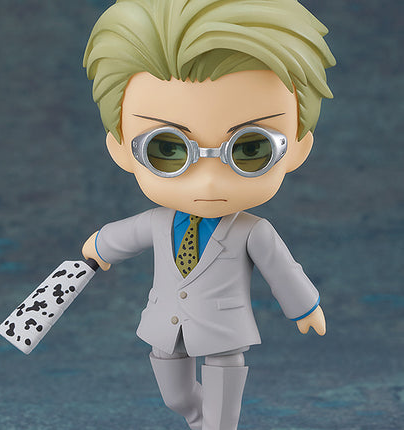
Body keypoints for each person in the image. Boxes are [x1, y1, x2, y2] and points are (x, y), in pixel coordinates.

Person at [81, 1, 335, 429]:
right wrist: (100, 246)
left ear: (297, 147)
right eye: (168, 149)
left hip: (224, 332)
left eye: (250, 149)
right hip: (166, 328)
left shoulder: (254, 231)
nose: (209, 183)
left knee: (221, 412)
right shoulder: (158, 221)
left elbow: (283, 269)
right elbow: (125, 236)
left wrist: (304, 307)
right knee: (177, 397)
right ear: (121, 147)